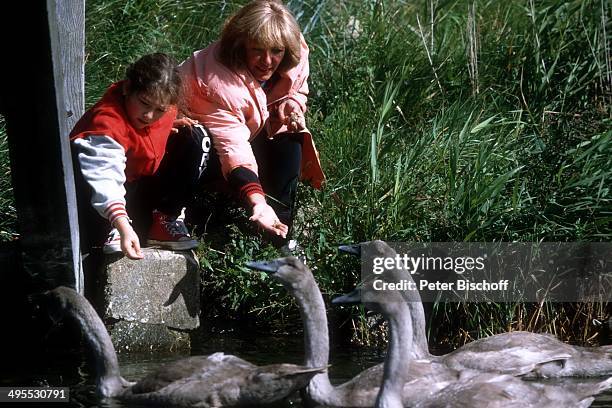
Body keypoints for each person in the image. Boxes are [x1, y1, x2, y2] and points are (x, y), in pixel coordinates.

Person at [179, 0, 325, 248]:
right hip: (198, 151)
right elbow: (232, 147)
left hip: (247, 130)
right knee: (195, 139)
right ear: (240, 45)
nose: (267, 61)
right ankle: (195, 214)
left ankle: (278, 235)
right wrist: (256, 200)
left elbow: (297, 86)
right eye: (257, 50)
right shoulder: (213, 82)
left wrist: (291, 104)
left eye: (276, 52)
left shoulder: (292, 48)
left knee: (290, 140)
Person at [71, 52, 208, 259]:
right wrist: (122, 224)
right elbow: (105, 178)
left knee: (197, 137)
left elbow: (158, 116)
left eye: (160, 109)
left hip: (135, 186)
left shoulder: (163, 110)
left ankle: (164, 219)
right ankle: (110, 229)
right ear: (127, 88)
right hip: (94, 198)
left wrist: (164, 127)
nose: (149, 116)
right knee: (102, 186)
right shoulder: (105, 124)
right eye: (144, 103)